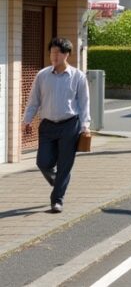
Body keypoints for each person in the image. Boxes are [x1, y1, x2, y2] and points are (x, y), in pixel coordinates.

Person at [22, 37, 90, 214]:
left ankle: (57, 200)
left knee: (64, 165)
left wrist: (85, 126)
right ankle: (58, 180)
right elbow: (33, 101)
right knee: (43, 162)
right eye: (52, 52)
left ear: (67, 54)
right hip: (47, 125)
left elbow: (84, 103)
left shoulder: (78, 76)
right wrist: (26, 120)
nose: (54, 56)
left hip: (70, 125)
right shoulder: (42, 75)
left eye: (58, 52)